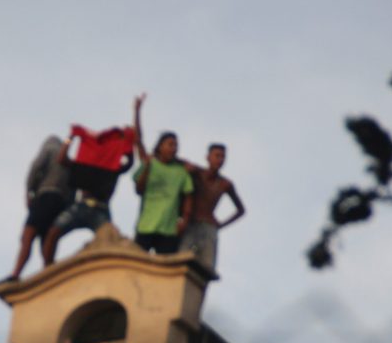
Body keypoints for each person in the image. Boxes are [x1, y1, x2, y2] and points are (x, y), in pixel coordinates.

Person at [41, 122, 134, 266]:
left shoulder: (112, 167)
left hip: (101, 209)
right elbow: (62, 159)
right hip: (81, 206)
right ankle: (47, 269)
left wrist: (127, 142)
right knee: (52, 233)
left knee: (111, 240)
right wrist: (70, 137)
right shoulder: (84, 165)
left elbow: (129, 163)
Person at [0, 135, 73, 285]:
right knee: (47, 241)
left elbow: (35, 167)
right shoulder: (69, 160)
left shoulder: (49, 150)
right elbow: (74, 188)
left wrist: (29, 191)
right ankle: (49, 276)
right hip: (60, 203)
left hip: (44, 196)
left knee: (27, 236)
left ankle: (15, 274)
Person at [131, 93, 194, 254]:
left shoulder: (181, 171)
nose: (174, 148)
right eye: (170, 144)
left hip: (169, 229)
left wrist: (184, 220)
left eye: (176, 145)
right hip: (146, 225)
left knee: (164, 269)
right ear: (160, 146)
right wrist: (137, 111)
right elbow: (139, 189)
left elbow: (188, 195)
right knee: (137, 263)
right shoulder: (150, 163)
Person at [179, 143, 245, 269]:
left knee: (206, 267)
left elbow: (241, 210)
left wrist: (221, 225)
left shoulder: (225, 183)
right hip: (190, 223)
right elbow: (177, 161)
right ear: (208, 157)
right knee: (181, 260)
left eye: (222, 157)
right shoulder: (196, 172)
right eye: (217, 156)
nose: (219, 160)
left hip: (209, 227)